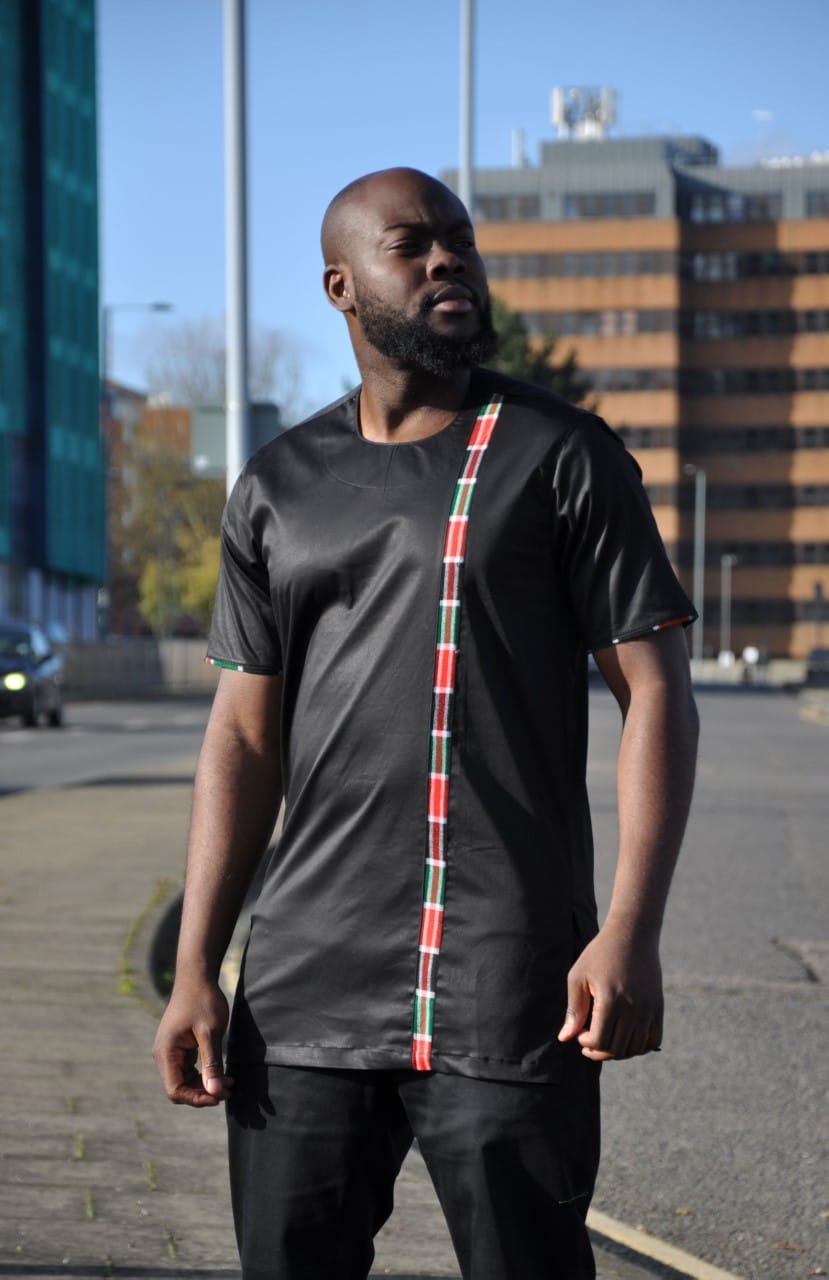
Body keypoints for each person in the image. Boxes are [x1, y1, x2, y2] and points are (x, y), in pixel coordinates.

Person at [153, 167, 699, 1280]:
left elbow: (655, 693)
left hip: (507, 982)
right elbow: (243, 739)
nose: (448, 257)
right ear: (342, 287)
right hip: (304, 989)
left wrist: (630, 928)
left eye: (459, 239)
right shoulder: (278, 482)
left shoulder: (562, 455)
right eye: (411, 245)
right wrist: (197, 964)